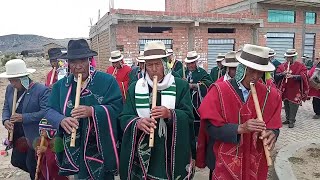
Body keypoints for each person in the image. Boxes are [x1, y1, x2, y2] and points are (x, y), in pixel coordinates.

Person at [196, 44, 282, 180]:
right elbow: (209, 128)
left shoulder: (270, 95)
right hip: (223, 161)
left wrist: (273, 133)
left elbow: (274, 126)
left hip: (255, 162)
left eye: (259, 71)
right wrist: (239, 128)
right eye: (251, 70)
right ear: (241, 67)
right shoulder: (219, 90)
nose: (255, 76)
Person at [45, 39, 123, 179]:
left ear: (89, 60)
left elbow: (117, 108)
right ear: (68, 64)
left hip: (100, 146)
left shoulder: (107, 81)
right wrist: (61, 120)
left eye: (82, 61)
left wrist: (92, 111)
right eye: (73, 62)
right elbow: (49, 110)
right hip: (76, 148)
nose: (78, 66)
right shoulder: (60, 86)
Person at [119, 41, 196, 180]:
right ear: (144, 66)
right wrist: (137, 122)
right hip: (145, 149)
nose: (154, 69)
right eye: (149, 65)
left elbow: (189, 116)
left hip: (172, 149)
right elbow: (124, 117)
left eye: (158, 64)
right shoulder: (135, 88)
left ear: (165, 64)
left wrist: (170, 114)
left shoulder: (180, 85)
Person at [1, 59, 50, 180]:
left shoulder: (41, 90)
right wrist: (6, 120)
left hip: (34, 134)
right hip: (18, 134)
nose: (12, 83)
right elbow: (6, 107)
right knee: (16, 160)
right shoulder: (10, 89)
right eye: (10, 80)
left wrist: (24, 117)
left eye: (15, 80)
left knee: (32, 165)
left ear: (24, 77)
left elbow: (46, 112)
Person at [177, 51, 213, 137]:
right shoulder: (181, 72)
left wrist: (194, 86)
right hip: (184, 101)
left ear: (196, 62)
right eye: (188, 63)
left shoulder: (202, 73)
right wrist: (181, 82)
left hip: (197, 103)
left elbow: (209, 84)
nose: (190, 65)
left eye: (192, 63)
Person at [275, 49, 309, 128]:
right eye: (287, 57)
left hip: (295, 90)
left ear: (294, 57)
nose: (288, 59)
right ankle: (287, 119)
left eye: (290, 57)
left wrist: (293, 76)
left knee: (293, 104)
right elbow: (276, 75)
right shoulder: (282, 66)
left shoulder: (300, 66)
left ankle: (292, 120)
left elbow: (304, 76)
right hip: (285, 89)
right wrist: (283, 74)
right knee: (286, 104)